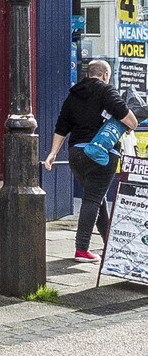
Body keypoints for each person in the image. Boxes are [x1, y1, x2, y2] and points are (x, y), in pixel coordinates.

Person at [45, 57, 135, 260]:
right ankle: (81, 249)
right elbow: (131, 120)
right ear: (105, 75)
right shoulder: (106, 90)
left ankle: (109, 245)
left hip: (76, 154)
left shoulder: (73, 95)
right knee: (93, 199)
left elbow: (61, 127)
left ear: (88, 74)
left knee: (97, 198)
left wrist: (52, 154)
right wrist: (130, 124)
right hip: (101, 154)